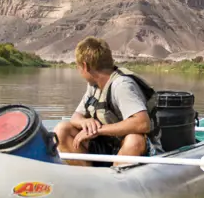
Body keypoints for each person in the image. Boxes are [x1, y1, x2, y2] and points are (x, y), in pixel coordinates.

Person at [54, 37, 163, 167]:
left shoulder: (122, 86)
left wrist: (98, 130)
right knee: (62, 129)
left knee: (134, 140)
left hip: (139, 149)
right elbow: (75, 117)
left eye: (78, 66)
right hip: (109, 144)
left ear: (85, 66)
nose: (78, 71)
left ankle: (114, 181)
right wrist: (85, 122)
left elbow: (142, 123)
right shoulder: (93, 85)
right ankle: (88, 177)